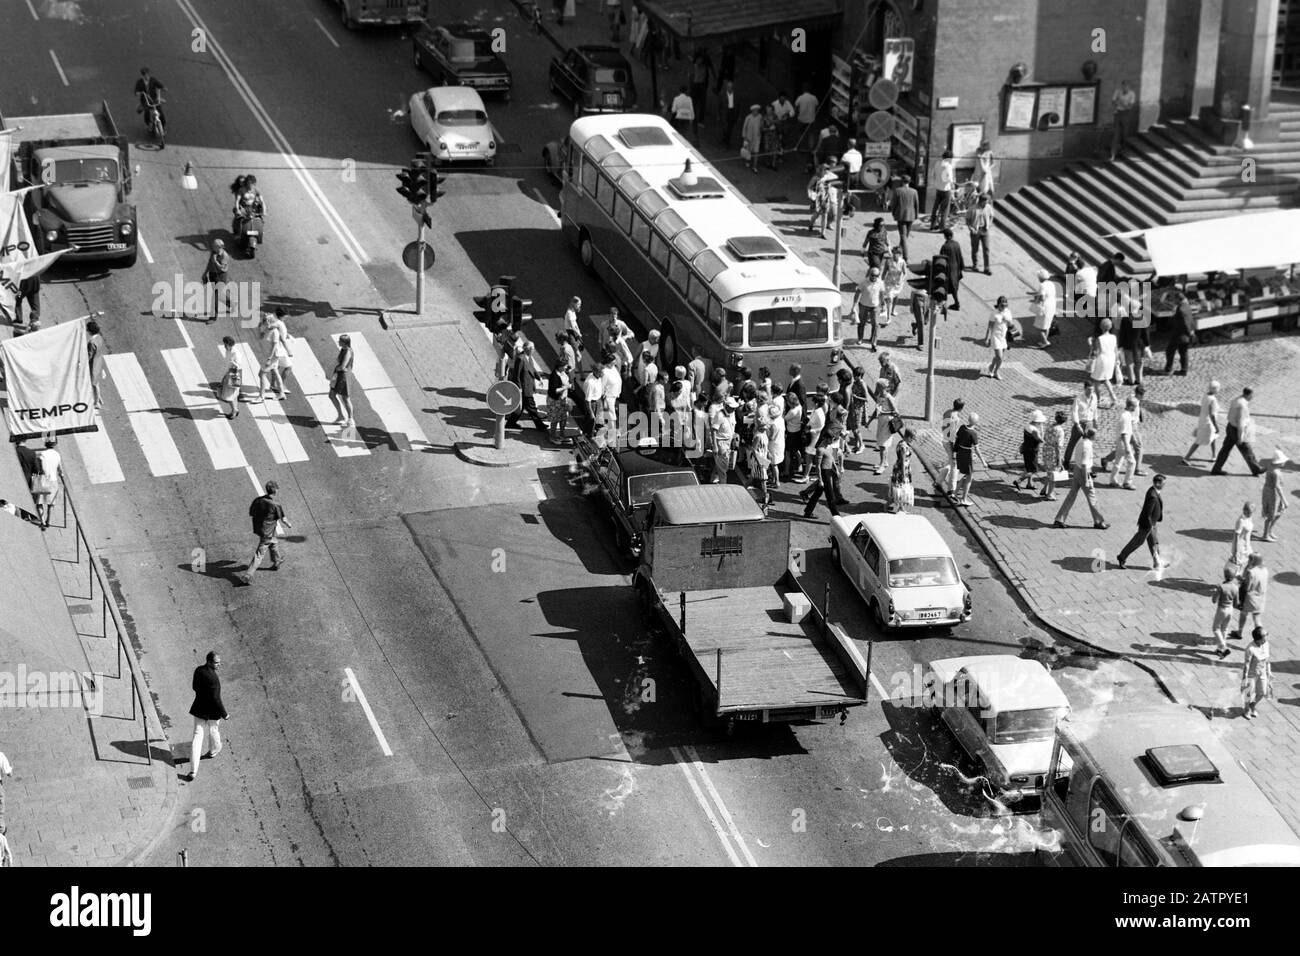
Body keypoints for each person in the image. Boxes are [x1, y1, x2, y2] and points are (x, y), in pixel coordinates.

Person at [1052, 427, 1109, 529]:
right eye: (1096, 435)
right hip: (1083, 472)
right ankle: (1099, 521)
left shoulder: (1081, 440)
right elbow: (1084, 464)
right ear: (1092, 436)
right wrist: (1087, 480)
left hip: (1077, 470)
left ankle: (1059, 519)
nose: (1097, 436)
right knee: (1092, 498)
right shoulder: (1087, 446)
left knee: (1072, 495)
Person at [186, 651, 227, 781]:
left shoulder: (199, 670)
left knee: (197, 739)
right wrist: (225, 714)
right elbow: (216, 698)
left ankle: (193, 770)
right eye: (216, 662)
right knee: (213, 731)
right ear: (209, 662)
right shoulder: (214, 679)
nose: (219, 664)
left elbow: (194, 687)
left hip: (199, 709)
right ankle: (213, 750)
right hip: (213, 712)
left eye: (219, 662)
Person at [1115, 474, 1167, 569]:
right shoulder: (1153, 496)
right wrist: (1150, 526)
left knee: (1154, 542)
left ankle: (1158, 562)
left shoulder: (1154, 491)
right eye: (1163, 483)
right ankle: (1122, 557)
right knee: (1137, 542)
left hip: (1152, 523)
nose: (1164, 485)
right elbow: (1147, 513)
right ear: (1157, 483)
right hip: (1147, 525)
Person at [1211, 386, 1264, 476]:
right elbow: (1240, 423)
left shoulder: (1237, 399)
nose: (1253, 397)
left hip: (1230, 426)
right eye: (1252, 395)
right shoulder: (1242, 406)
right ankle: (1256, 469)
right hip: (1236, 430)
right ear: (1249, 395)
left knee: (1225, 449)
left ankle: (1216, 469)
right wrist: (1240, 437)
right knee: (1247, 449)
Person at [245, 480, 291, 579]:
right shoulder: (275, 504)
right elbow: (283, 518)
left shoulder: (258, 500)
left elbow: (251, 512)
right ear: (275, 491)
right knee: (259, 554)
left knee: (273, 542)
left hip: (259, 528)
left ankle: (277, 560)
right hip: (268, 531)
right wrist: (289, 524)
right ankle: (248, 575)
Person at [505, 341, 548, 431]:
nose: (534, 350)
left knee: (522, 408)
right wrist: (519, 389)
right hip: (524, 388)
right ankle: (540, 425)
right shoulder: (521, 359)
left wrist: (538, 378)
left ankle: (511, 423)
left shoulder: (529, 357)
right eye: (532, 349)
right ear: (527, 349)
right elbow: (516, 375)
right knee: (531, 407)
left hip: (528, 386)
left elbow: (532, 369)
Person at [952, 412, 988, 507]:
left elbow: (957, 439)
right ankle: (964, 499)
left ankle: (955, 493)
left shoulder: (962, 427)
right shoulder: (974, 433)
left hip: (960, 454)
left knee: (965, 475)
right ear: (976, 422)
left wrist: (954, 453)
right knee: (969, 478)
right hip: (967, 456)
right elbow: (977, 449)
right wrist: (983, 461)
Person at [801, 440, 842, 520]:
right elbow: (818, 466)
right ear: (826, 438)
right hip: (824, 474)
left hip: (829, 471)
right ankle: (837, 517)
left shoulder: (829, 447)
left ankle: (808, 512)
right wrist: (820, 480)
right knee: (830, 497)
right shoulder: (820, 450)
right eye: (831, 438)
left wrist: (836, 469)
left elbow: (832, 458)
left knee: (817, 494)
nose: (832, 440)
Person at [1184, 380, 1222, 465]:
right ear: (1215, 389)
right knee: (1199, 440)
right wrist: (1216, 426)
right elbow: (1212, 414)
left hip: (1203, 419)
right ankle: (1186, 457)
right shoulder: (1212, 399)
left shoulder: (1206, 395)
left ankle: (1214, 455)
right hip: (1208, 423)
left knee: (1213, 437)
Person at [1234, 555, 1268, 645]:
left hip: (1250, 598)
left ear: (1253, 561)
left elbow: (1247, 587)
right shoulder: (1265, 570)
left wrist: (1240, 579)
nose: (1248, 560)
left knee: (1243, 614)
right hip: (1260, 598)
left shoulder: (1251, 572)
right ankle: (1262, 637)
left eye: (1250, 559)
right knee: (1257, 618)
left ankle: (1239, 632)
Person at [1062, 381, 1098, 466]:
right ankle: (1066, 461)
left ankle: (1087, 464)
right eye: (1089, 390)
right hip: (1080, 423)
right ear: (1084, 389)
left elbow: (1095, 410)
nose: (1091, 392)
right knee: (1072, 443)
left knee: (1089, 444)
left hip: (1089, 423)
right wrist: (1077, 425)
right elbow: (1074, 412)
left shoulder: (1094, 397)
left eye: (1092, 390)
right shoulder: (1078, 398)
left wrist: (1095, 421)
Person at [28, 437, 61, 529]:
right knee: (51, 503)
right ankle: (48, 521)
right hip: (53, 481)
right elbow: (60, 469)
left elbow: (37, 468)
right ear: (55, 444)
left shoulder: (42, 455)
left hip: (42, 480)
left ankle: (42, 521)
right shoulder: (57, 455)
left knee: (39, 502)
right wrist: (60, 474)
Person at [1240, 626, 1272, 720]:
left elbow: (1267, 659)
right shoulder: (1250, 648)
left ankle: (1252, 705)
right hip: (1252, 674)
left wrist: (1269, 671)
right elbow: (1246, 664)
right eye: (1265, 635)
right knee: (1248, 694)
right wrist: (1245, 678)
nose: (1267, 636)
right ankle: (1246, 709)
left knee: (1262, 692)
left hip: (1262, 672)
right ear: (1259, 638)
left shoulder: (1266, 644)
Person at [1088, 318, 1120, 409]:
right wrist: (1117, 361)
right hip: (1111, 359)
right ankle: (1113, 397)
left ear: (1101, 327)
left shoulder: (1100, 339)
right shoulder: (1114, 337)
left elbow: (1096, 352)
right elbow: (1116, 350)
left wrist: (1090, 344)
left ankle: (1098, 400)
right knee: (1106, 379)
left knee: (1097, 380)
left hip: (1102, 360)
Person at [850, 266, 885, 350]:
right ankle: (860, 338)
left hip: (875, 306)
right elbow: (858, 293)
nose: (873, 277)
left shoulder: (880, 283)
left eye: (875, 275)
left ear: (878, 276)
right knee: (862, 323)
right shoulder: (864, 282)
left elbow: (882, 294)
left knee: (875, 324)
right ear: (869, 274)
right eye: (872, 275)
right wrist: (854, 305)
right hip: (863, 305)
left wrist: (883, 305)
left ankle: (873, 341)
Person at [1161, 292, 1195, 376]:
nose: (1175, 301)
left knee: (1170, 351)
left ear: (1179, 300)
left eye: (1176, 299)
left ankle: (1168, 369)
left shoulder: (1181, 309)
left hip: (1179, 335)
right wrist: (1192, 332)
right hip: (1185, 335)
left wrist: (1190, 333)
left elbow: (1186, 323)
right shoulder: (1186, 306)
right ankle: (1184, 370)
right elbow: (1190, 320)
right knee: (1183, 352)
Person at [1108, 396, 1139, 489]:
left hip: (1120, 442)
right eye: (1135, 406)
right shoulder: (1126, 417)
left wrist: (1133, 438)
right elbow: (1124, 434)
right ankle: (1127, 482)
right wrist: (1127, 447)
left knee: (1118, 461)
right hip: (1123, 443)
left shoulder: (1126, 415)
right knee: (1132, 462)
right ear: (1130, 407)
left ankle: (1113, 480)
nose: (1136, 408)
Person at [889, 174, 920, 264]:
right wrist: (916, 215)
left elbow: (893, 204)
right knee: (905, 236)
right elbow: (916, 204)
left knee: (903, 236)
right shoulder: (914, 191)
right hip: (911, 216)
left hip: (901, 215)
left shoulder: (898, 191)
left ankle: (905, 256)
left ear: (902, 181)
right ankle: (899, 250)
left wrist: (893, 213)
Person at [1209, 566, 1239, 658]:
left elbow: (1214, 600)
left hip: (1222, 609)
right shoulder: (1235, 587)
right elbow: (1236, 603)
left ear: (1224, 575)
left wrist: (1215, 592)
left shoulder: (1221, 587)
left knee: (1215, 628)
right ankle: (1220, 649)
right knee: (1224, 628)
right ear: (1234, 577)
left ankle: (1224, 647)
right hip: (1230, 610)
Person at [1013, 410, 1045, 492]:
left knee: (1028, 468)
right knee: (1033, 470)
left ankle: (1029, 484)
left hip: (1026, 448)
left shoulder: (1027, 426)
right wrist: (1042, 431)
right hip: (1032, 451)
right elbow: (1040, 440)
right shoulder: (1034, 430)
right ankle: (1019, 481)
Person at [984, 295, 1013, 379]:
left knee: (998, 356)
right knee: (1000, 357)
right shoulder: (994, 313)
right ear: (998, 304)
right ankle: (996, 371)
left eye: (1005, 305)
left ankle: (991, 367)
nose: (1004, 307)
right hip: (995, 336)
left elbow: (1011, 324)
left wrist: (1007, 320)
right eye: (1002, 305)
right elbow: (990, 327)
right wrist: (986, 338)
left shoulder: (1008, 312)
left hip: (1003, 337)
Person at [1041, 409, 1068, 500]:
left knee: (1048, 472)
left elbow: (1044, 437)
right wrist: (1059, 461)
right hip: (1053, 453)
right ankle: (1050, 494)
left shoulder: (1049, 426)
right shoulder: (1060, 431)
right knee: (1054, 474)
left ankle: (1044, 489)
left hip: (1046, 450)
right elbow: (1058, 447)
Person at [1261, 452, 1288, 541]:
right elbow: (1277, 486)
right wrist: (1284, 500)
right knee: (1271, 515)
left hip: (1268, 491)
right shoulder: (1276, 472)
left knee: (1278, 512)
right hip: (1273, 494)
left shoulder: (1270, 466)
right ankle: (1265, 535)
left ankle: (1269, 531)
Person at [329, 334, 355, 427]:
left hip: (343, 377)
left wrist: (335, 369)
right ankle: (340, 416)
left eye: (340, 341)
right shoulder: (343, 349)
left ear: (344, 342)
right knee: (332, 395)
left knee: (345, 398)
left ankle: (350, 419)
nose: (338, 342)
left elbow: (343, 366)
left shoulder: (348, 351)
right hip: (339, 375)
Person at [807, 162, 839, 236]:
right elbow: (809, 187)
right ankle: (811, 224)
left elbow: (834, 181)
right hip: (818, 198)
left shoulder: (829, 177)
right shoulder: (816, 178)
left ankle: (823, 232)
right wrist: (811, 195)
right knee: (816, 214)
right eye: (825, 170)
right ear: (821, 170)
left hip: (826, 198)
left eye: (827, 170)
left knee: (825, 214)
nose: (826, 172)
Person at [936, 228, 965, 310]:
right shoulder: (957, 244)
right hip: (956, 270)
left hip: (948, 271)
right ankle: (956, 303)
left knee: (946, 287)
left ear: (945, 236)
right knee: (954, 288)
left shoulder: (945, 247)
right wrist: (962, 267)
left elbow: (941, 260)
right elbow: (960, 256)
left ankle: (953, 304)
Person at [600, 308, 635, 374]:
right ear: (609, 315)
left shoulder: (621, 324)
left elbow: (631, 334)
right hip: (607, 353)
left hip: (619, 361)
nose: (613, 318)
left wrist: (625, 338)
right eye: (612, 315)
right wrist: (601, 350)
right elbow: (600, 339)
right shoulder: (603, 325)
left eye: (615, 315)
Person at [204, 239, 231, 321]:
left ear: (219, 247)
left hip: (221, 277)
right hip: (212, 275)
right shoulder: (214, 252)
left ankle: (213, 317)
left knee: (214, 297)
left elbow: (222, 268)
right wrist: (205, 273)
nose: (212, 246)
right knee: (217, 295)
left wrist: (215, 261)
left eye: (214, 245)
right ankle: (230, 304)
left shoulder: (224, 256)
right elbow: (209, 263)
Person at [890, 428, 915, 513]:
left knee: (899, 487)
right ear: (908, 437)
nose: (912, 440)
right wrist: (904, 475)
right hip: (902, 469)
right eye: (912, 438)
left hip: (901, 467)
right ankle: (900, 507)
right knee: (902, 488)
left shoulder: (901, 442)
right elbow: (903, 462)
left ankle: (899, 506)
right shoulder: (904, 447)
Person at [1110, 79, 1136, 161]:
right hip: (1118, 113)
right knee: (1115, 134)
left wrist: (1120, 103)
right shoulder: (1118, 91)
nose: (1125, 88)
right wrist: (1122, 104)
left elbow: (1130, 106)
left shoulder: (1132, 94)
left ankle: (1123, 148)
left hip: (1126, 114)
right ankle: (1112, 154)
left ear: (1129, 87)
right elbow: (1113, 101)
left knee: (1124, 133)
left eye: (1126, 86)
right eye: (1123, 86)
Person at [966, 195, 994, 274]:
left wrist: (989, 224)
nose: (986, 204)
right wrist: (970, 228)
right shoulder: (973, 208)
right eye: (985, 202)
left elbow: (991, 216)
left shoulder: (988, 207)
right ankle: (975, 265)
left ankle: (987, 268)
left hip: (985, 230)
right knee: (975, 249)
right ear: (981, 201)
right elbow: (967, 219)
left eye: (987, 202)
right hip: (976, 230)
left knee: (986, 249)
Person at [217, 335, 243, 420]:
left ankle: (234, 410)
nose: (224, 346)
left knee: (228, 396)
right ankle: (234, 410)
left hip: (234, 375)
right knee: (233, 395)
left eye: (225, 344)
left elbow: (238, 366)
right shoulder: (228, 351)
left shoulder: (236, 353)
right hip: (228, 373)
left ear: (229, 344)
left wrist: (233, 363)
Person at [929, 149, 955, 229]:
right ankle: (942, 227)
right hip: (946, 190)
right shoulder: (948, 166)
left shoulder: (937, 164)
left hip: (938, 188)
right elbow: (950, 179)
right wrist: (953, 183)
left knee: (936, 207)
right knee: (945, 209)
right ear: (950, 158)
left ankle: (932, 224)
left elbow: (933, 175)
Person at [1032, 268, 1057, 347]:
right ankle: (1044, 341)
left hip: (1045, 306)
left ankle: (1045, 342)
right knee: (1047, 325)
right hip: (1052, 305)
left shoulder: (1042, 285)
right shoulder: (1051, 283)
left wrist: (1036, 299)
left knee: (1040, 326)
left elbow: (1042, 297)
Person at [881, 248, 906, 322]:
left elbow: (905, 273)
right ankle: (888, 318)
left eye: (896, 253)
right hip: (889, 283)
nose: (895, 255)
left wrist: (902, 279)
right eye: (893, 253)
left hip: (898, 283)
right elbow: (884, 271)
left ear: (900, 254)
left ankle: (893, 309)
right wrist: (881, 281)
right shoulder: (888, 261)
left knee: (896, 297)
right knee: (889, 298)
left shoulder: (902, 262)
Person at [86, 319, 107, 409]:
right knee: (96, 383)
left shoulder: (91, 343)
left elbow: (89, 356)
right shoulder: (99, 338)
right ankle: (98, 398)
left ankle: (96, 402)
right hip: (98, 362)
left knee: (94, 384)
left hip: (92, 366)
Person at [1229, 501, 1254, 575]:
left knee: (1250, 562)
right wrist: (1235, 552)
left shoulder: (1249, 518)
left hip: (1247, 545)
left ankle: (1243, 578)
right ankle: (1233, 581)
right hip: (1240, 547)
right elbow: (1236, 536)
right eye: (1248, 512)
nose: (1250, 514)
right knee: (1238, 566)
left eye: (1251, 512)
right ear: (1244, 510)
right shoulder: (1241, 521)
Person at [794, 84, 819, 150]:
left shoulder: (800, 98)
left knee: (800, 134)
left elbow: (796, 107)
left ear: (803, 89)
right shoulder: (814, 98)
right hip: (811, 120)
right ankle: (811, 148)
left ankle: (800, 147)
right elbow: (816, 107)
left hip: (801, 119)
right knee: (811, 134)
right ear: (810, 90)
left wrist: (797, 115)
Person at [760, 104, 782, 171]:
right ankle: (768, 163)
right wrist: (768, 128)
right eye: (767, 109)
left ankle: (773, 164)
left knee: (774, 149)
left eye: (769, 109)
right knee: (767, 149)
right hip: (767, 136)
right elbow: (761, 129)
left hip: (774, 136)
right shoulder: (764, 117)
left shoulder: (775, 116)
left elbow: (779, 123)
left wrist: (774, 122)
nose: (768, 110)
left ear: (772, 110)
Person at [741, 104, 763, 173]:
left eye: (757, 110)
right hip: (749, 137)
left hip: (757, 137)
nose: (756, 112)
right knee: (748, 151)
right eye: (755, 110)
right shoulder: (748, 117)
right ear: (752, 111)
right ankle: (747, 161)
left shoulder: (760, 117)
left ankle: (755, 166)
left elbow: (761, 126)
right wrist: (744, 137)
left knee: (756, 152)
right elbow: (744, 127)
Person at [719, 79, 739, 147]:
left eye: (731, 87)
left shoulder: (736, 95)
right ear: (726, 87)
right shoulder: (722, 94)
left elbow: (738, 105)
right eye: (728, 87)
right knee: (725, 127)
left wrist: (737, 115)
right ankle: (726, 141)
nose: (730, 88)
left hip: (732, 112)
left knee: (730, 128)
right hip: (725, 112)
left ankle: (726, 140)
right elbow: (719, 105)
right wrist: (719, 115)